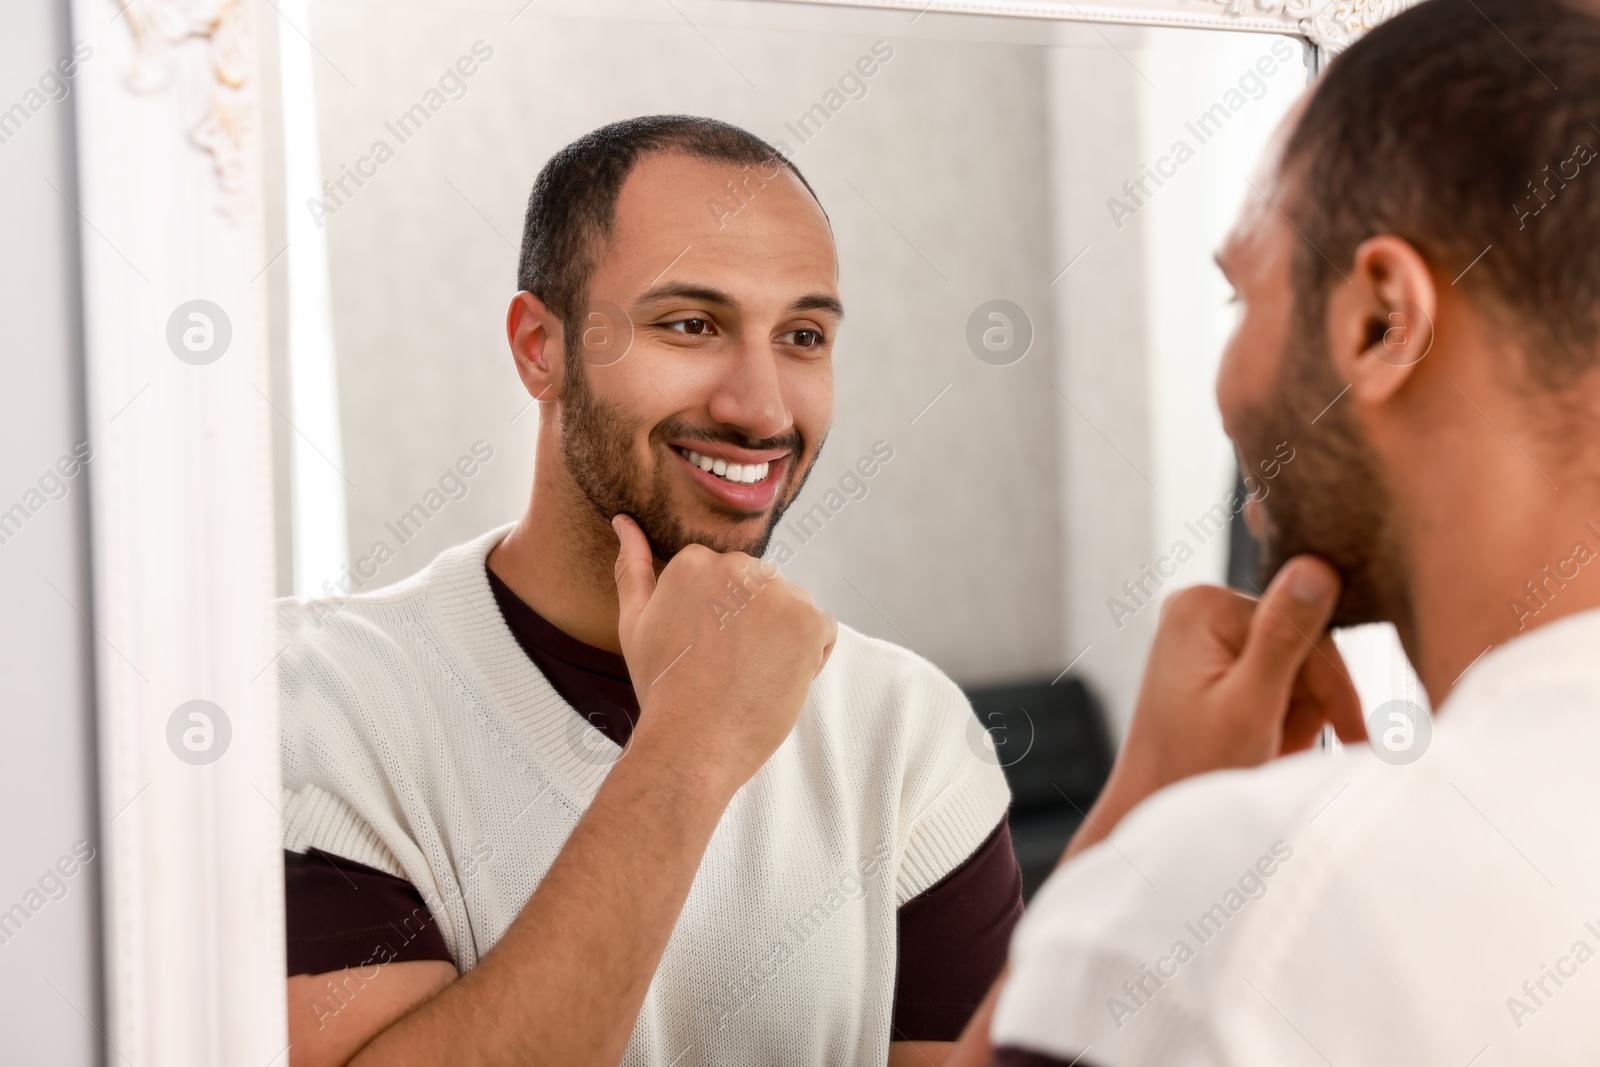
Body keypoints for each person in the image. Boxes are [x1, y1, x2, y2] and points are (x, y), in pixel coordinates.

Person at [278, 116, 1023, 1067]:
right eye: (690, 325)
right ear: (539, 347)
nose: (760, 408)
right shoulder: (311, 699)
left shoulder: (908, 732)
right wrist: (690, 745)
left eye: (802, 335)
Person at [946, 1, 1600, 1064]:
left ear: (1379, 319)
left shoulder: (1254, 903)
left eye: (1238, 293)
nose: (1226, 386)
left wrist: (1138, 828)